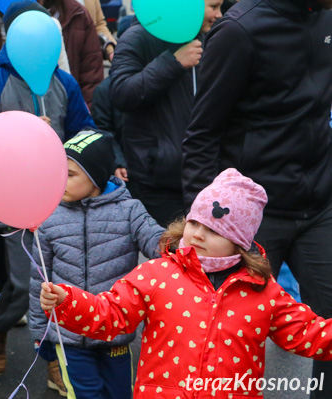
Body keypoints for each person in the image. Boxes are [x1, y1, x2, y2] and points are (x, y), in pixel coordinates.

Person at [182, 0, 332, 397]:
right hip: (252, 217)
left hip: (321, 204)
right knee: (228, 339)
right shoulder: (240, 32)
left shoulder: (327, 18)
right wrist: (202, 224)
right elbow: (202, 132)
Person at [40, 169, 332, 398]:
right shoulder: (157, 275)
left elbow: (307, 333)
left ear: (239, 244)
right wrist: (68, 301)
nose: (198, 235)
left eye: (214, 230)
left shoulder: (262, 291)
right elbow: (113, 313)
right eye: (194, 223)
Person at [0, 1, 94, 378]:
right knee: (24, 286)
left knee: (62, 285)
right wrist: (20, 130)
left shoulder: (63, 82)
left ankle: (57, 361)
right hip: (12, 200)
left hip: (61, 198)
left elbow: (85, 131)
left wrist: (102, 160)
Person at [27, 130, 162, 399]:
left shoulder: (129, 210)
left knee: (120, 394)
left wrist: (185, 242)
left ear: (95, 176)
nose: (60, 180)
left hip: (115, 334)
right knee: (86, 394)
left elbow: (157, 243)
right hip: (68, 337)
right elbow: (38, 278)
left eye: (71, 173)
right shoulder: (49, 216)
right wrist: (39, 331)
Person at [110, 0, 224, 228]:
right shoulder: (137, 37)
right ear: (190, 2)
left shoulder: (212, 38)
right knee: (170, 260)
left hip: (204, 173)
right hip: (157, 179)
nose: (219, 15)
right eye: (213, 7)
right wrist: (172, 63)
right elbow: (122, 93)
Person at [21, 0, 103, 105]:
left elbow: (91, 72)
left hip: (70, 107)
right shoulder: (14, 13)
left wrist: (85, 112)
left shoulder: (77, 14)